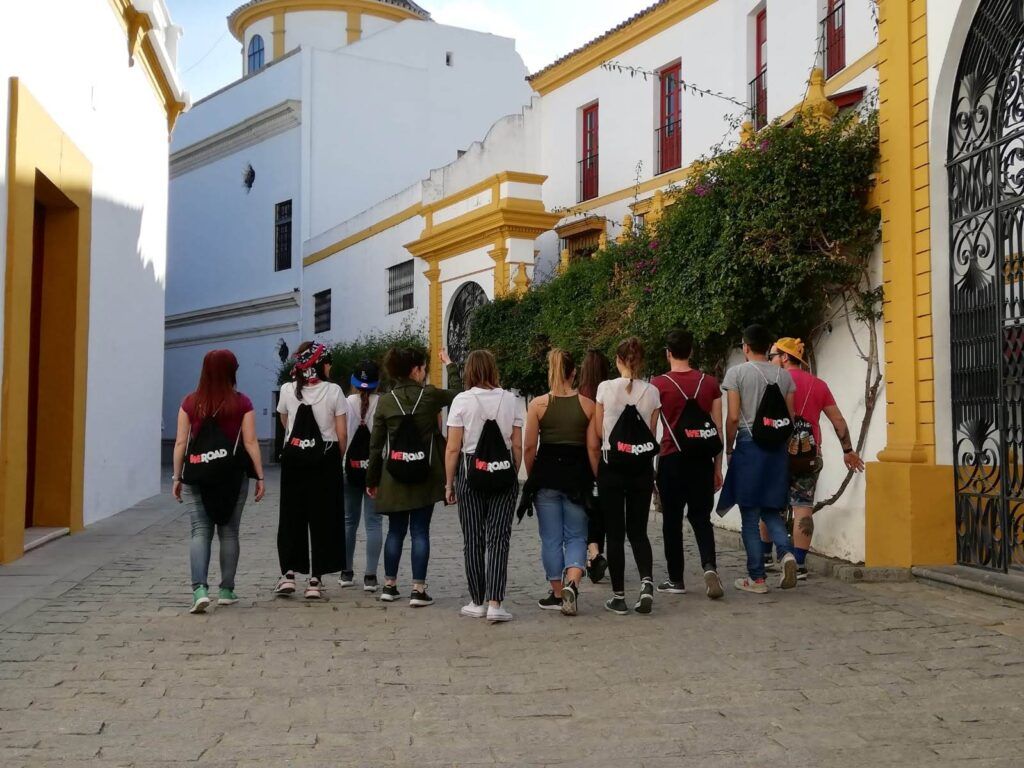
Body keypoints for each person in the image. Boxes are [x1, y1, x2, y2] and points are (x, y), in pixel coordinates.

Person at [761, 337, 865, 578]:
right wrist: (847, 451)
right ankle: (798, 564)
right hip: (808, 457)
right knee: (803, 508)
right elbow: (837, 420)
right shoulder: (819, 385)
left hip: (776, 455)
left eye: (773, 356)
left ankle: (765, 557)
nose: (771, 360)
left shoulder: (774, 381)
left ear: (785, 357)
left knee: (769, 506)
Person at [172, 349, 266, 614]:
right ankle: (226, 589)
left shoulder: (189, 403)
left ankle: (199, 590)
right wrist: (259, 475)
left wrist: (177, 476)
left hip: (197, 475)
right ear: (231, 372)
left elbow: (181, 442)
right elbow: (250, 442)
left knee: (200, 531)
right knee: (229, 531)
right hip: (232, 476)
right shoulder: (242, 402)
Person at [366, 347, 460, 607]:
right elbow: (458, 394)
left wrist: (372, 480)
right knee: (420, 532)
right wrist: (450, 365)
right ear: (416, 369)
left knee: (395, 531)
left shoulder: (385, 401)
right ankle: (418, 589)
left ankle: (389, 585)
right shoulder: (429, 396)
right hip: (424, 474)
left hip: (393, 475)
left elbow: (375, 447)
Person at [718, 324, 798, 594]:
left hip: (749, 446)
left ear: (746, 347)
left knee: (750, 516)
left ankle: (757, 579)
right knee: (772, 510)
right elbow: (791, 418)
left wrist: (730, 447)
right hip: (776, 448)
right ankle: (787, 554)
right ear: (768, 347)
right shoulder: (785, 376)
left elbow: (732, 416)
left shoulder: (737, 373)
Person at [445, 350, 524, 623]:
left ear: (468, 371)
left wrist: (449, 483)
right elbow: (516, 443)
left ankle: (476, 600)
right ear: (493, 369)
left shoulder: (461, 401)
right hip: (502, 472)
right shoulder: (510, 399)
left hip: (470, 471)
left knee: (473, 539)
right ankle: (495, 602)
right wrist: (513, 471)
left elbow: (453, 447)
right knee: (499, 538)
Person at [588, 338, 661, 615]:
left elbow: (597, 431)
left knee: (615, 534)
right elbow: (651, 434)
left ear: (618, 360)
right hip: (641, 467)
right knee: (639, 532)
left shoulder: (605, 388)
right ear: (641, 361)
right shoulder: (653, 392)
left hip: (612, 467)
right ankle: (646, 584)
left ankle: (618, 596)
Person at [653, 329, 725, 600]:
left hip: (671, 458)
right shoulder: (709, 384)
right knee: (701, 518)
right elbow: (717, 429)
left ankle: (676, 579)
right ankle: (709, 566)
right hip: (702, 460)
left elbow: (651, 427)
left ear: (668, 353)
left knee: (671, 521)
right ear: (692, 351)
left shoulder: (658, 385)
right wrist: (718, 467)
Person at [523, 349, 596, 615]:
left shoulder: (538, 405)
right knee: (577, 535)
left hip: (546, 476)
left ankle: (556, 592)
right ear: (573, 372)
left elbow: (530, 447)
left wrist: (533, 476)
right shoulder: (588, 405)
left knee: (551, 538)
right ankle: (573, 584)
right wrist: (595, 476)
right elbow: (592, 448)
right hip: (577, 478)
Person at [275, 342, 348, 600]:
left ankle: (288, 575)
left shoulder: (286, 389)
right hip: (324, 459)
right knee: (322, 518)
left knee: (291, 515)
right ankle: (315, 579)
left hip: (294, 458)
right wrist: (333, 458)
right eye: (328, 361)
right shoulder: (334, 391)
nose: (330, 366)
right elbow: (342, 435)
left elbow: (285, 423)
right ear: (319, 363)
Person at [339, 360, 383, 592]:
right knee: (374, 522)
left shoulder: (346, 403)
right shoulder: (382, 403)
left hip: (350, 467)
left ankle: (346, 573)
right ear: (378, 383)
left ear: (354, 383)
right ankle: (371, 576)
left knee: (349, 521)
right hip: (375, 470)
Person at [578, 348, 610, 584]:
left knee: (584, 512)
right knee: (600, 511)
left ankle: (592, 553)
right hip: (603, 459)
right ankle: (596, 553)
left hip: (580, 462)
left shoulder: (579, 397)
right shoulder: (608, 395)